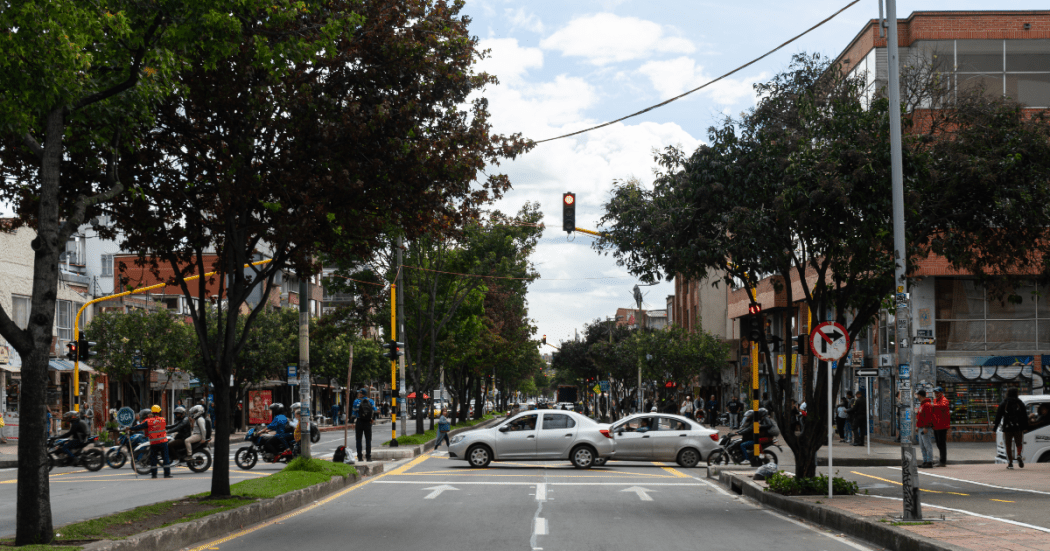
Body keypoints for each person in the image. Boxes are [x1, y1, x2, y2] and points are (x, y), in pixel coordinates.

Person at [127, 405, 171, 478]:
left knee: (153, 459)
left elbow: (139, 427)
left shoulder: (149, 421)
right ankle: (167, 474)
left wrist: (130, 428)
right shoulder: (163, 420)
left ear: (152, 413)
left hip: (154, 443)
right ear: (159, 412)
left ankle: (154, 475)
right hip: (163, 442)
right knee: (165, 458)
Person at [992, 388, 1028, 469]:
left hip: (1007, 428)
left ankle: (1010, 463)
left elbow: (998, 417)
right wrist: (1025, 427)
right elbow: (1025, 416)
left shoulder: (1004, 403)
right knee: (1019, 443)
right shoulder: (1020, 403)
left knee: (1008, 445)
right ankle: (1019, 455)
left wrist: (995, 428)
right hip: (1018, 428)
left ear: (1007, 393)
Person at [353, 388, 375, 462]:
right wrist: (372, 418)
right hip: (368, 422)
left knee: (358, 440)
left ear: (361, 394)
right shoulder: (371, 401)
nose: (358, 394)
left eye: (359, 393)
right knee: (368, 440)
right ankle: (368, 457)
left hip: (359, 421)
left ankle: (360, 457)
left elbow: (353, 413)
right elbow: (375, 410)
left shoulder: (356, 401)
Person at [930, 387, 951, 467]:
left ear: (941, 393)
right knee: (938, 443)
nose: (936, 394)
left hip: (942, 425)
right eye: (935, 393)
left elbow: (943, 406)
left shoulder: (944, 400)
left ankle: (943, 461)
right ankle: (941, 459)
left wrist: (932, 405)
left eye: (937, 392)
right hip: (936, 425)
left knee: (941, 443)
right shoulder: (935, 401)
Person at [915, 390, 935, 468]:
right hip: (920, 428)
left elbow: (928, 417)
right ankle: (925, 461)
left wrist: (925, 427)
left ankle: (929, 461)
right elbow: (919, 417)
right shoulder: (922, 405)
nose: (917, 397)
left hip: (925, 428)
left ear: (920, 395)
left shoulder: (927, 405)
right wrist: (917, 426)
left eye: (918, 395)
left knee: (927, 445)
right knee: (922, 446)